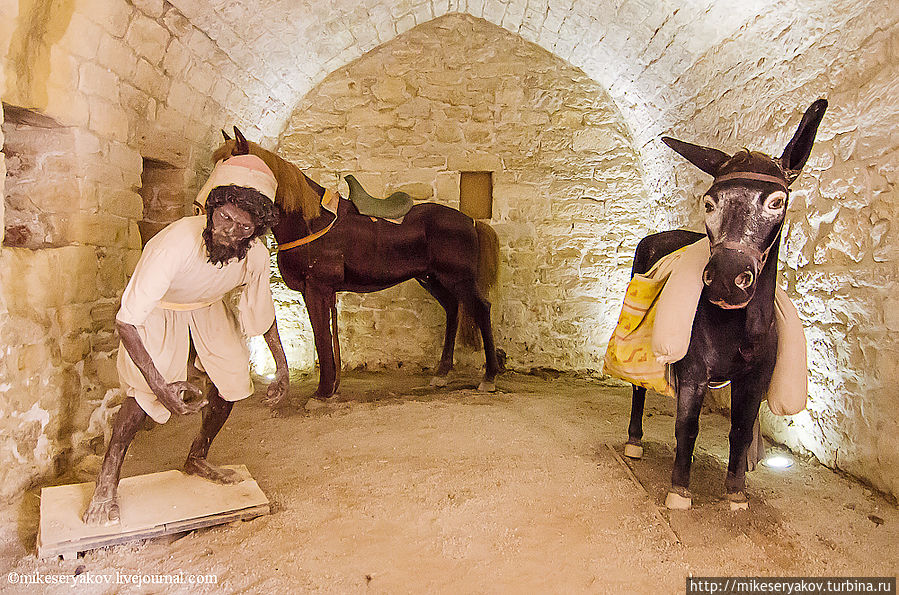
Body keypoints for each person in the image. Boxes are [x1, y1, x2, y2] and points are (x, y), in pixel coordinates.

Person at [83, 155, 290, 526]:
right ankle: (107, 478)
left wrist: (282, 365)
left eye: (244, 228)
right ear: (212, 208)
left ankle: (197, 455)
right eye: (225, 218)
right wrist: (161, 387)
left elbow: (261, 309)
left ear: (256, 231)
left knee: (232, 381)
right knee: (143, 396)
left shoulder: (254, 255)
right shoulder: (173, 245)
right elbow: (127, 322)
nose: (230, 232)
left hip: (206, 308)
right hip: (158, 311)